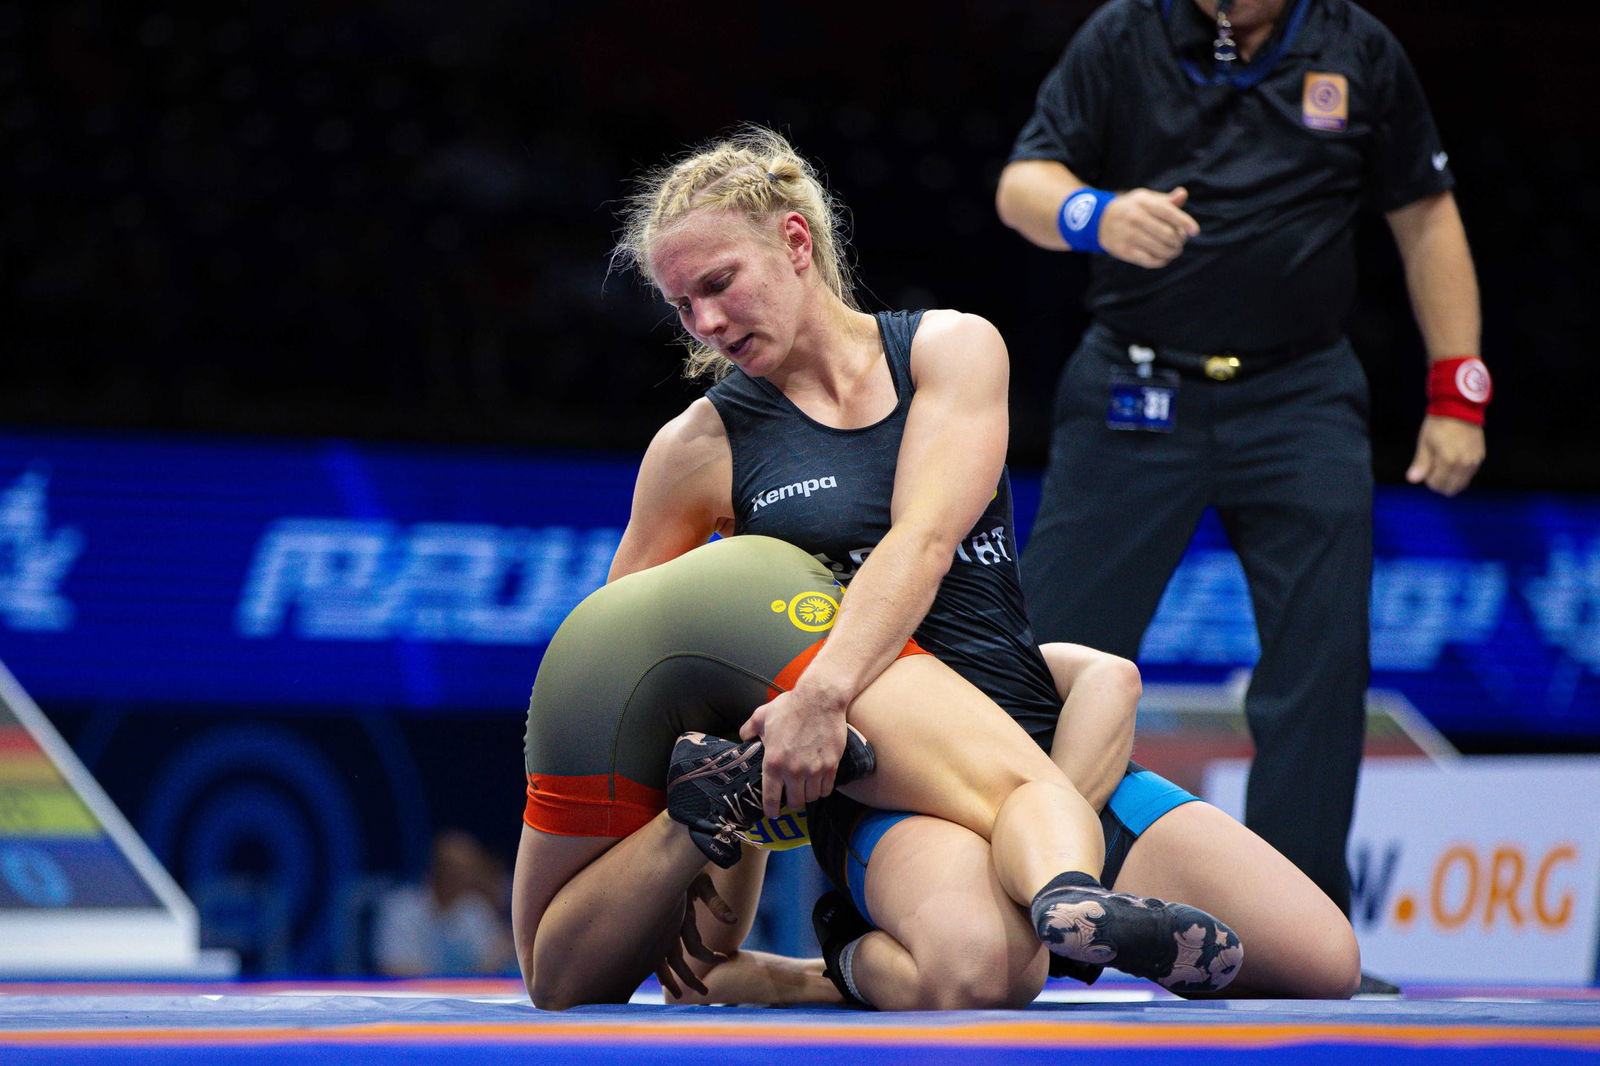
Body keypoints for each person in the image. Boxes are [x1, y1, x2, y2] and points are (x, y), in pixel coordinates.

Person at [602, 124, 1356, 1007]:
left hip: (1035, 756)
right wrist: (645, 869)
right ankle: (842, 957)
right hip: (889, 786)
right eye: (683, 305)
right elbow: (626, 660)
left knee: (1322, 965)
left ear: (796, 243)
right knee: (975, 973)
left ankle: (1058, 899)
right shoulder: (698, 446)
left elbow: (921, 540)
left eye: (718, 285)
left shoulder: (949, 350)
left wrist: (820, 691)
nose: (706, 323)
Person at [994, 0, 1490, 989]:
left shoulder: (1358, 47)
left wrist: (1457, 388)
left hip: (1298, 395)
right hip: (1136, 392)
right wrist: (1095, 211)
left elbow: (1424, 215)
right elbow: (1021, 186)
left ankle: (1293, 937)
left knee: (1318, 668)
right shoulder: (1123, 34)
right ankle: (1017, 911)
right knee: (1037, 662)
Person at [511, 533, 1243, 1010]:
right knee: (1023, 820)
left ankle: (695, 821)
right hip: (757, 619)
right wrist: (1038, 860)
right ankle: (1064, 893)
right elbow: (1093, 702)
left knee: (558, 978)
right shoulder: (945, 686)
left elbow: (707, 975)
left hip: (599, 664)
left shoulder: (944, 705)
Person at [372, 828, 515, 977]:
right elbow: (393, 968)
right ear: (440, 870)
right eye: (463, 872)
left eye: (473, 871)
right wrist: (458, 980)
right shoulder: (400, 908)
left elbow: (492, 963)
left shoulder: (475, 908)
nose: (472, 878)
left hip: (464, 997)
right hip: (414, 998)